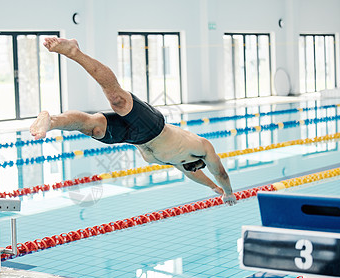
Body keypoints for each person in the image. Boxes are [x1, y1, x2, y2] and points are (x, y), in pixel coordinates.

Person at [30, 37, 237, 205]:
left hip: (132, 137)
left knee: (93, 127)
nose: (192, 170)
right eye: (194, 168)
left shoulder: (180, 163)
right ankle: (75, 52)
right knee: (117, 99)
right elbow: (220, 172)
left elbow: (196, 176)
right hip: (154, 127)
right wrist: (228, 192)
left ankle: (52, 121)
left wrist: (214, 189)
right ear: (196, 163)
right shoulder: (201, 146)